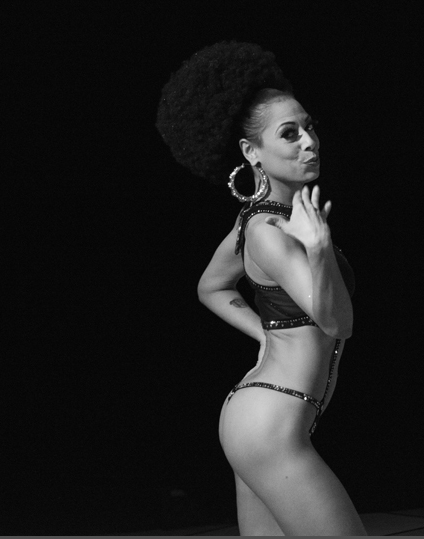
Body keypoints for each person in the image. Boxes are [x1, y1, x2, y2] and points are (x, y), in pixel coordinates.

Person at [156, 41, 366, 536]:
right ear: (252, 152)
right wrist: (319, 249)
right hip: (270, 428)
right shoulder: (269, 232)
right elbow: (339, 323)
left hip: (257, 416)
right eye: (290, 133)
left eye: (309, 127)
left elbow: (211, 287)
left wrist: (263, 333)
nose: (309, 142)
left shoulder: (254, 219)